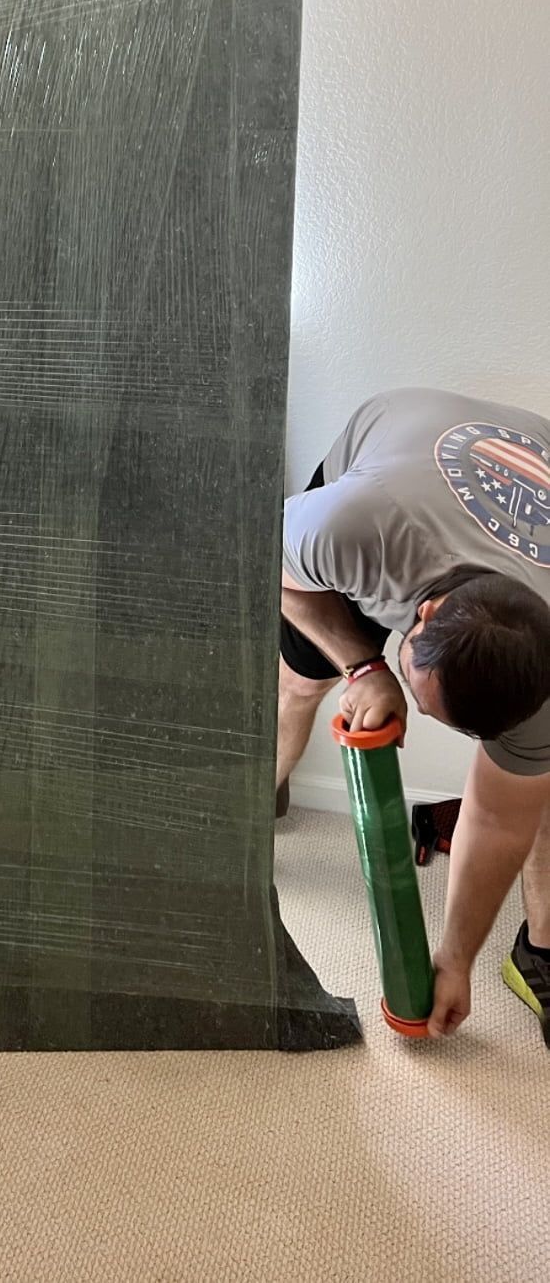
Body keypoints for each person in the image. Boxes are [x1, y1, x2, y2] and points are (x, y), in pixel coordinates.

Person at [277, 386, 550, 1046]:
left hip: (514, 533)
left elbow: (498, 817)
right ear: (417, 615)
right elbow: (271, 565)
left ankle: (540, 952)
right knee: (300, 682)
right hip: (400, 455)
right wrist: (364, 668)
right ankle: (262, 788)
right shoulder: (351, 525)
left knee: (540, 789)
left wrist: (455, 959)